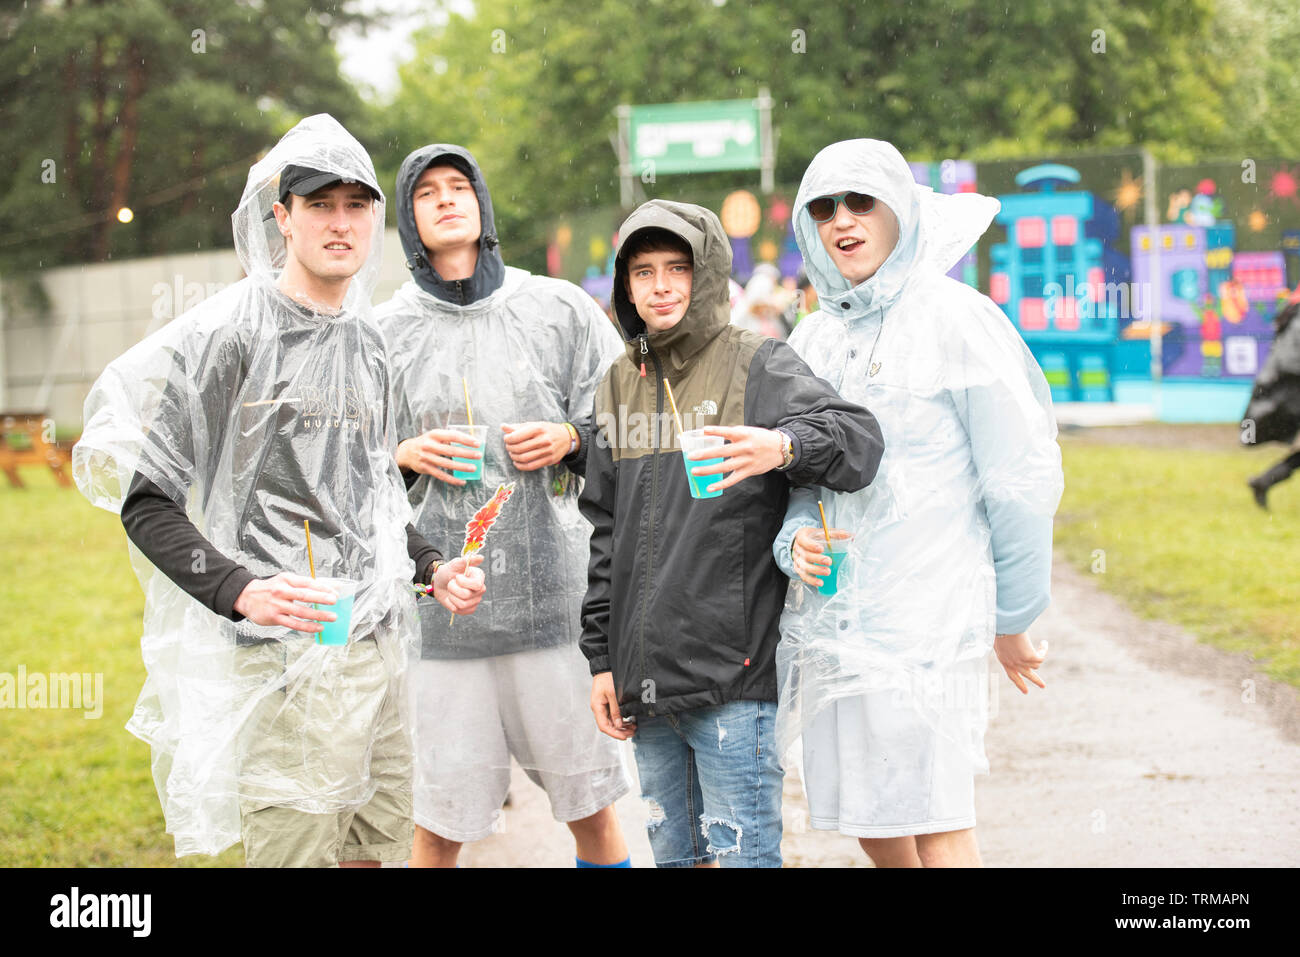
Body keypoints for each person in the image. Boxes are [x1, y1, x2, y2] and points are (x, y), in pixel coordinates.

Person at [73, 115, 486, 867]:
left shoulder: (370, 345)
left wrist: (432, 566)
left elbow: (374, 502)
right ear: (281, 216)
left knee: (378, 851)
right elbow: (148, 500)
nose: (340, 223)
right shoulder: (229, 335)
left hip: (378, 650)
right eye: (319, 204)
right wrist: (239, 589)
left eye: (356, 205)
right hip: (282, 663)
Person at [772, 139, 1064, 868]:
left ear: (900, 209)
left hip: (929, 623)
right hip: (835, 624)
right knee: (865, 810)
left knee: (935, 814)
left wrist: (1014, 615)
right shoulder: (813, 337)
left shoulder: (955, 320)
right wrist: (797, 536)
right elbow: (797, 473)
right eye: (825, 207)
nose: (843, 220)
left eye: (861, 202)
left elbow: (1019, 476)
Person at [580, 200, 884, 868]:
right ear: (625, 287)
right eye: (642, 271)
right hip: (645, 687)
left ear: (709, 274)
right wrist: (601, 659)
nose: (660, 285)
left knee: (744, 859)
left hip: (733, 682)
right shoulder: (617, 382)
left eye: (677, 268)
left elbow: (859, 442)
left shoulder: (759, 363)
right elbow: (605, 530)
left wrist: (781, 446)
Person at [375, 144, 632, 868]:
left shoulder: (554, 308)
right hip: (442, 619)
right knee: (438, 828)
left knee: (593, 812)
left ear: (483, 204)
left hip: (553, 607)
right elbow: (346, 472)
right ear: (408, 219)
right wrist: (403, 456)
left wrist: (569, 438)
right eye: (428, 193)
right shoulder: (383, 332)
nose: (448, 200)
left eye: (461, 186)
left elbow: (624, 422)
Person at [1244, 286, 1300, 509]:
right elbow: (1289, 361)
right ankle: (1265, 481)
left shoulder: (1292, 318)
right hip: (1291, 392)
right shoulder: (1297, 321)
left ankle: (1265, 481)